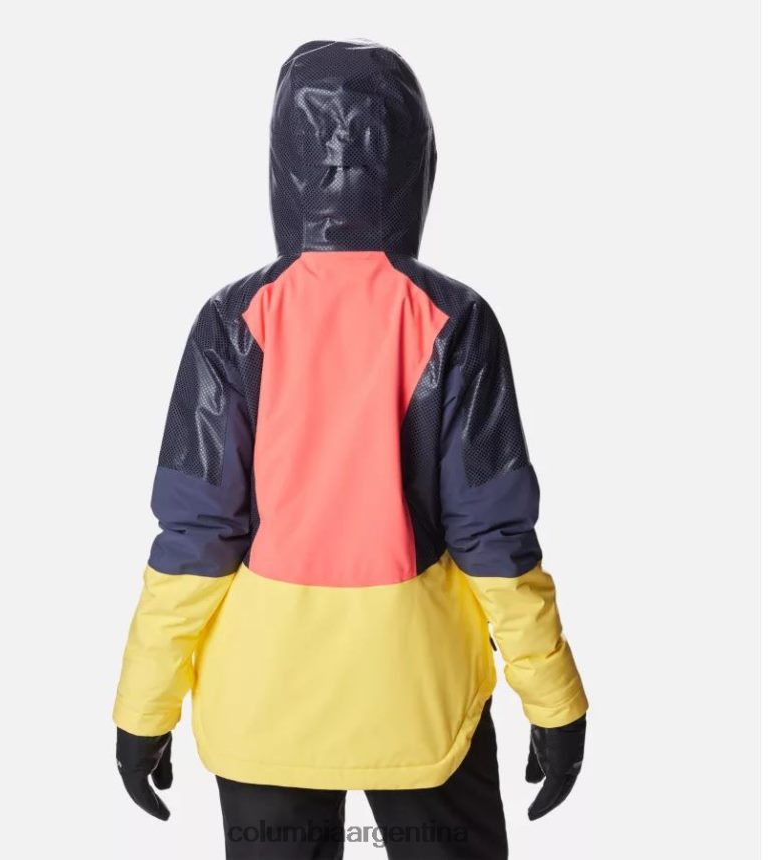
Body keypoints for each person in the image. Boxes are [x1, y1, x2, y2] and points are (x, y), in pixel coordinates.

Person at [113, 39, 588, 860]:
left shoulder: (232, 321)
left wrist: (141, 708)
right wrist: (554, 700)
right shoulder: (456, 321)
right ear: (418, 162)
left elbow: (195, 537)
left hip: (264, 707)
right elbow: (493, 537)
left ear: (280, 163)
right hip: (421, 702)